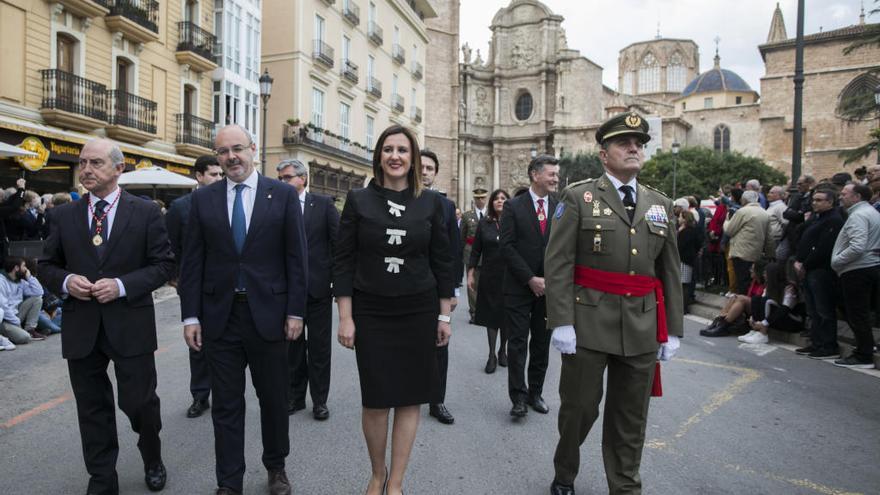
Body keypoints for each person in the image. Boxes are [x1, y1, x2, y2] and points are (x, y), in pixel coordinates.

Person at [545, 112, 683, 495]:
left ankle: (624, 486)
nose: (634, 148)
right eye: (624, 143)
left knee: (631, 416)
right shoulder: (579, 197)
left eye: (638, 143)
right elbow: (558, 263)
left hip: (641, 325)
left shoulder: (660, 204)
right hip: (588, 322)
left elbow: (669, 270)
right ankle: (565, 472)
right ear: (604, 155)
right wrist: (561, 321)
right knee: (580, 409)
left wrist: (672, 329)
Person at [39, 138, 174, 494]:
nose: (86, 169)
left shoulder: (144, 212)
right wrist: (67, 281)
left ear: (119, 169)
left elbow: (163, 265)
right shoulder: (63, 214)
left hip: (130, 323)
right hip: (82, 326)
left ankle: (152, 456)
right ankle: (102, 477)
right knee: (91, 406)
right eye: (83, 162)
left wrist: (121, 285)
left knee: (139, 402)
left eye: (96, 163)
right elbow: (46, 266)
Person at [179, 124, 308, 495]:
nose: (231, 157)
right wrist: (190, 316)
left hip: (270, 316)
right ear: (217, 157)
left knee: (273, 399)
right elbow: (192, 263)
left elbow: (296, 260)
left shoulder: (281, 195)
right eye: (223, 152)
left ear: (253, 149)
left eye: (238, 148)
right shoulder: (203, 200)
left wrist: (295, 312)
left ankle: (276, 467)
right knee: (226, 405)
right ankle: (229, 481)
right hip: (220, 318)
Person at [334, 125, 453, 495]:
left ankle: (397, 482)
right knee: (376, 398)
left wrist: (444, 315)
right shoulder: (358, 200)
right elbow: (343, 261)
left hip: (418, 310)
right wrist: (346, 317)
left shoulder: (433, 204)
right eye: (388, 149)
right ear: (379, 156)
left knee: (409, 398)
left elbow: (443, 262)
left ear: (414, 158)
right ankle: (376, 474)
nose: (395, 156)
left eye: (403, 149)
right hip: (371, 310)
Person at [277, 159, 340, 420]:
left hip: (318, 289)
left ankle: (320, 400)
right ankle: (295, 397)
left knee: (319, 348)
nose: (283, 182)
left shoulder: (323, 205)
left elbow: (338, 244)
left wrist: (338, 282)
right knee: (292, 348)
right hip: (287, 291)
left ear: (303, 178)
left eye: (288, 177)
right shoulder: (275, 205)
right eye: (280, 178)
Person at [500, 154, 559, 418]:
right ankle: (518, 397)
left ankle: (536, 393)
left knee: (541, 344)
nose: (556, 178)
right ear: (535, 175)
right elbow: (507, 247)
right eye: (552, 174)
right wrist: (530, 279)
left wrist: (549, 279)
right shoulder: (513, 206)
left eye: (557, 174)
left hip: (549, 289)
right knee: (517, 343)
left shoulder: (561, 206)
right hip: (519, 286)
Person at [165, 155, 224, 418]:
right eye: (213, 174)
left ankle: (225, 392)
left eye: (221, 175)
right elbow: (172, 246)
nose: (219, 179)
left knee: (226, 341)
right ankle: (200, 395)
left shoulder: (229, 201)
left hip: (226, 284)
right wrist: (177, 277)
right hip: (195, 284)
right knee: (197, 340)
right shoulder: (181, 207)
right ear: (199, 176)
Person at [420, 149, 461, 425]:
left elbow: (454, 252)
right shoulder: (397, 200)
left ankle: (437, 401)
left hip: (436, 288)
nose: (424, 172)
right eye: (420, 167)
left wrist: (453, 290)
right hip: (405, 286)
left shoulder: (445, 206)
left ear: (435, 174)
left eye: (430, 168)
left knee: (439, 344)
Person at [830, 183, 880, 368]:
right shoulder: (871, 213)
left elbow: (858, 246)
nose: (841, 196)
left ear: (857, 197)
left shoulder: (858, 215)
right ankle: (866, 348)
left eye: (844, 194)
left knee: (857, 313)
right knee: (859, 312)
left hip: (857, 270)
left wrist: (837, 260)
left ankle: (863, 354)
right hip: (866, 267)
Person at [793, 187, 844, 360]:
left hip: (821, 270)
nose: (815, 203)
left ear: (830, 202)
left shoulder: (834, 220)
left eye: (820, 200)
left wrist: (805, 264)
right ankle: (816, 342)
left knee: (824, 309)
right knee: (813, 309)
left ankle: (828, 345)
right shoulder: (817, 218)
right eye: (814, 200)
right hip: (809, 269)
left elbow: (824, 247)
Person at [468, 188, 510, 373]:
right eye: (497, 199)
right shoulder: (485, 223)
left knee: (507, 316)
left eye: (503, 198)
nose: (500, 201)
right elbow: (476, 249)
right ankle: (491, 354)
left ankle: (503, 350)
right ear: (491, 203)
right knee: (492, 317)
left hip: (511, 276)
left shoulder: (514, 222)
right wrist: (470, 273)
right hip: (490, 275)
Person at [739, 261, 805, 344]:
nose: (764, 275)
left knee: (767, 301)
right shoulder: (770, 286)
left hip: (794, 321)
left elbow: (785, 309)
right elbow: (759, 304)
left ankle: (763, 333)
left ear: (773, 275)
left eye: (766, 273)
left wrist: (765, 322)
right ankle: (755, 329)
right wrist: (753, 318)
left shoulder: (789, 287)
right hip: (778, 318)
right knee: (756, 299)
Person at [723, 190, 774, 295]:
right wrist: (771, 254)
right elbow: (769, 237)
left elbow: (729, 230)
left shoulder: (742, 211)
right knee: (753, 282)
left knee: (742, 282)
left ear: (744, 200)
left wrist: (727, 221)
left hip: (741, 253)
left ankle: (743, 306)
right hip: (756, 253)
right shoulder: (765, 213)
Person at [700, 260, 767, 337]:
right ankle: (718, 322)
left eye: (752, 269)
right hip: (750, 306)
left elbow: (758, 300)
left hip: (758, 309)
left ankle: (723, 326)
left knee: (741, 298)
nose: (750, 270)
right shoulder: (753, 282)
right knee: (734, 297)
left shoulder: (764, 284)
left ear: (758, 271)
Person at [0, 256, 47, 343]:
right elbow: (4, 308)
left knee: (37, 299)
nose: (26, 269)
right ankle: (7, 336)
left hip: (16, 316)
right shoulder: (1, 281)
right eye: (24, 266)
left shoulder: (19, 280)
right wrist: (17, 322)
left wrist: (30, 277)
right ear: (16, 268)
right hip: (4, 320)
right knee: (24, 338)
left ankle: (30, 330)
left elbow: (39, 292)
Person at [461, 187, 488, 324]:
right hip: (471, 253)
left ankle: (486, 311)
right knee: (472, 284)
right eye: (477, 198)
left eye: (483, 198)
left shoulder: (492, 214)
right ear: (474, 199)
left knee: (488, 284)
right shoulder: (467, 216)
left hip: (489, 254)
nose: (480, 200)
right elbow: (462, 237)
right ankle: (474, 313)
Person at [676, 202, 700, 312]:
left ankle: (683, 307)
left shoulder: (685, 232)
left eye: (680, 217)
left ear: (685, 219)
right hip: (688, 259)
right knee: (683, 284)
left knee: (683, 285)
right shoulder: (693, 231)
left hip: (684, 260)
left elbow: (679, 245)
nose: (678, 219)